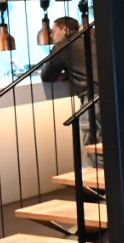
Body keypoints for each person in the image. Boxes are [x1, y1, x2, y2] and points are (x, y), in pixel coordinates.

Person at [41, 16, 99, 147]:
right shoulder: (90, 40)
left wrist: (66, 74)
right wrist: (69, 73)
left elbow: (46, 75)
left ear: (65, 30)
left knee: (93, 147)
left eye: (54, 31)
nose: (51, 35)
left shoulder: (63, 45)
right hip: (111, 94)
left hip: (92, 99)